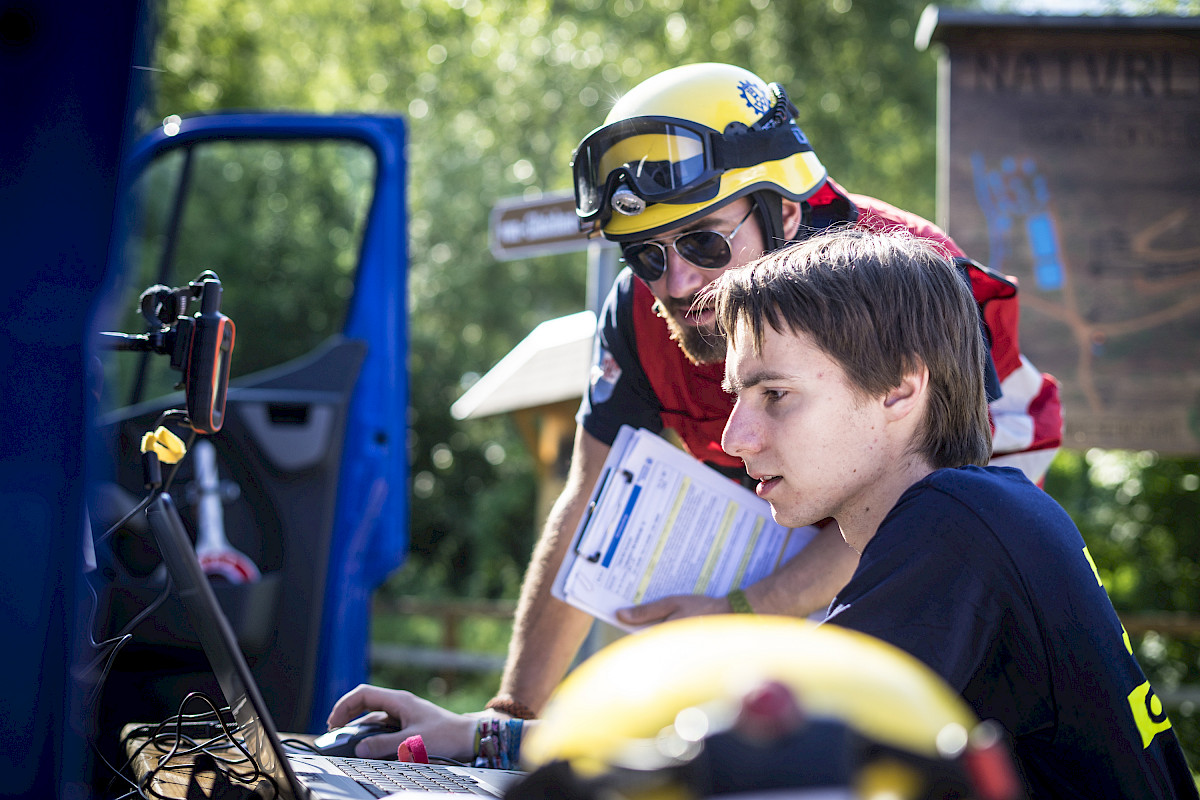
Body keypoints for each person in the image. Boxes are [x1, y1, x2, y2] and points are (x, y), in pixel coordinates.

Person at [329, 62, 1062, 755]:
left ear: (782, 212)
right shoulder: (644, 312)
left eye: (705, 240)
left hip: (953, 494)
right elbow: (587, 501)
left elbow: (903, 505)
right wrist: (506, 719)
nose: (677, 283)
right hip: (811, 508)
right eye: (645, 255)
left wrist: (746, 611)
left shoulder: (897, 277)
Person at [713, 228, 1196, 797]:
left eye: (774, 394)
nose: (732, 437)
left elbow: (782, 739)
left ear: (899, 389)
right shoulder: (995, 510)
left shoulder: (957, 524)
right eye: (734, 397)